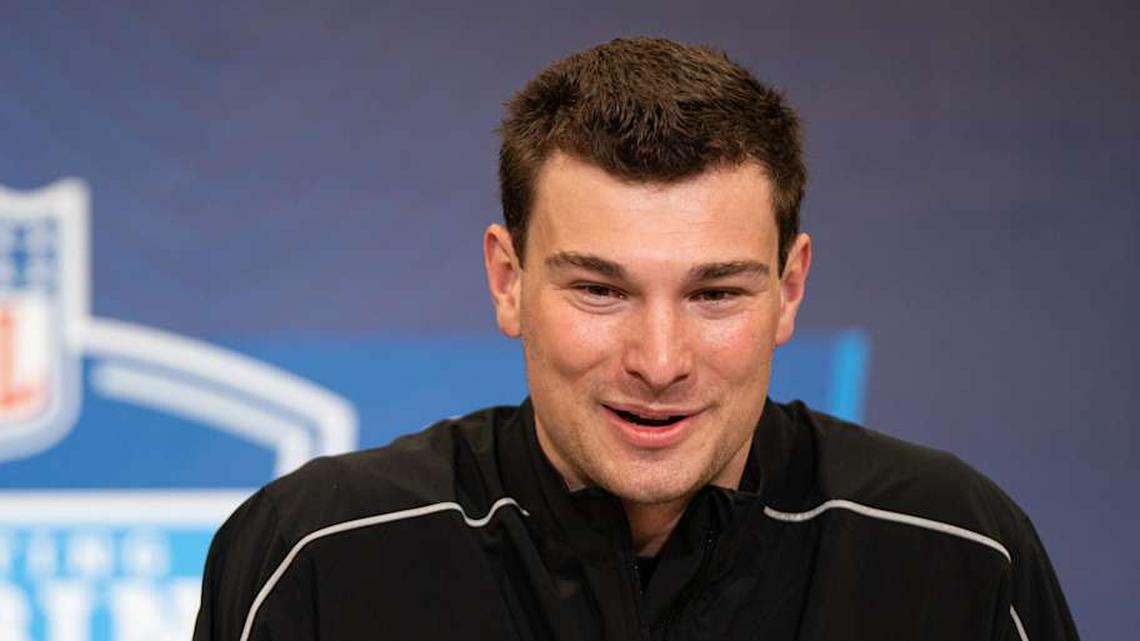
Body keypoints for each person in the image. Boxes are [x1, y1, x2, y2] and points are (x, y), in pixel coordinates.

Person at [192, 37, 1079, 641]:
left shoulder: (954, 552)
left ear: (790, 288)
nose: (659, 361)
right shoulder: (320, 554)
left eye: (716, 292)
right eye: (600, 289)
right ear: (508, 281)